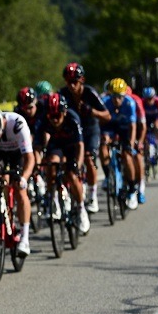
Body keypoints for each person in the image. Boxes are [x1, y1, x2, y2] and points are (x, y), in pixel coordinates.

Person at [0, 105, 35, 256]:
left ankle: (25, 237)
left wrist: (24, 178)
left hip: (18, 153)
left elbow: (30, 158)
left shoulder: (17, 124)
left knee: (20, 190)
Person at [59, 62, 110, 213]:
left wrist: (92, 111)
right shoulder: (63, 94)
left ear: (82, 80)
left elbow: (107, 116)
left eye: (75, 81)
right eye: (69, 82)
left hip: (90, 129)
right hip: (73, 132)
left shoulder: (90, 93)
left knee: (88, 158)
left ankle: (93, 195)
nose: (72, 85)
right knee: (62, 163)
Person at [37, 93, 90, 234]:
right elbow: (37, 148)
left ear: (64, 112)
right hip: (56, 146)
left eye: (57, 116)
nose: (54, 120)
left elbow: (80, 145)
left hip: (72, 146)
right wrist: (37, 165)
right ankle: (53, 197)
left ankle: (80, 208)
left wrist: (77, 165)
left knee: (72, 175)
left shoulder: (73, 119)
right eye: (51, 116)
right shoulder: (44, 119)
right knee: (51, 164)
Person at [100, 78, 139, 210]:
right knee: (103, 148)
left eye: (119, 97)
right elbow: (100, 124)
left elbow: (133, 126)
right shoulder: (105, 102)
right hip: (110, 127)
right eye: (113, 97)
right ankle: (108, 176)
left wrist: (131, 144)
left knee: (127, 156)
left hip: (125, 128)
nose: (116, 100)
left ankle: (133, 189)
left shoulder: (130, 103)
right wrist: (104, 138)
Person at [142, 86, 158, 163]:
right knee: (143, 132)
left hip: (155, 118)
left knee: (157, 127)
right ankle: (146, 152)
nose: (149, 101)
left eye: (150, 98)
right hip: (146, 119)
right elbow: (141, 116)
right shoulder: (143, 102)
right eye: (147, 99)